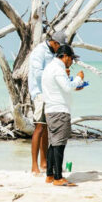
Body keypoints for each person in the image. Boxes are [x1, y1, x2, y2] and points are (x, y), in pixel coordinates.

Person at [40, 44, 86, 186]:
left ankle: (50, 175)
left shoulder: (50, 67)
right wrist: (78, 78)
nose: (71, 62)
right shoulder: (58, 68)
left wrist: (73, 84)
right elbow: (67, 87)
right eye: (71, 59)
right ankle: (58, 177)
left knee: (53, 143)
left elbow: (63, 87)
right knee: (59, 144)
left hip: (51, 109)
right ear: (65, 56)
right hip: (59, 110)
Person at [27, 31, 66, 174]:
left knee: (47, 130)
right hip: (39, 93)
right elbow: (37, 74)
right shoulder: (39, 52)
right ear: (54, 43)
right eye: (59, 47)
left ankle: (44, 163)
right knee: (39, 128)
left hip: (49, 94)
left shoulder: (54, 53)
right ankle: (34, 165)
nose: (60, 51)